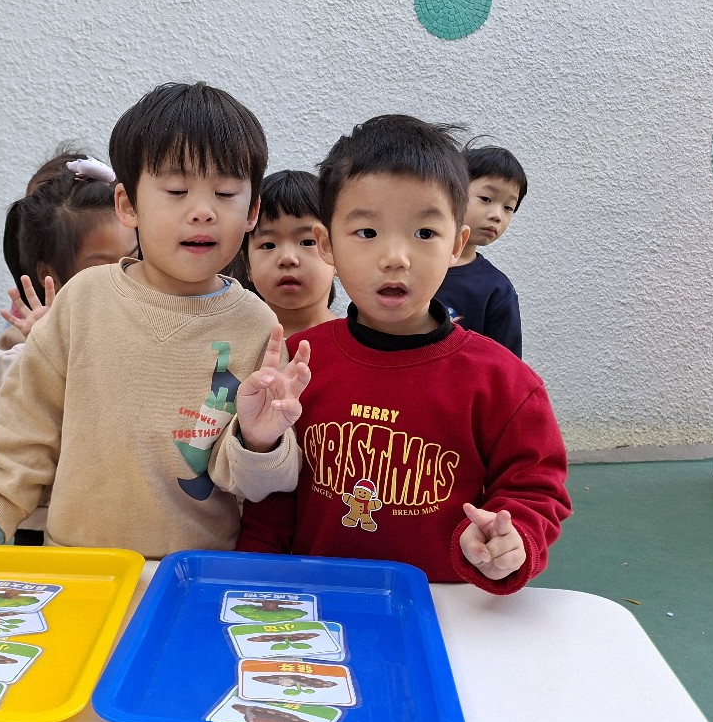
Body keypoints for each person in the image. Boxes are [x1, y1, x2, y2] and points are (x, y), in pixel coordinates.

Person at [0, 81, 311, 558]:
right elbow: (30, 421)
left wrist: (260, 440)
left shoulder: (257, 325)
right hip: (75, 561)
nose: (202, 212)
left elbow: (259, 486)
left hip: (194, 570)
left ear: (252, 211)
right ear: (128, 205)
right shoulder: (83, 299)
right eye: (176, 190)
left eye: (226, 193)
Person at [237, 115, 570, 594]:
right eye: (367, 232)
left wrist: (510, 539)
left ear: (457, 245)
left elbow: (535, 490)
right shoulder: (300, 365)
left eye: (424, 233)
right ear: (328, 245)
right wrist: (253, 576)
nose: (396, 257)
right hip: (316, 604)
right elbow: (270, 506)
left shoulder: (505, 382)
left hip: (445, 607)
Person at [0, 150, 138, 545]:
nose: (123, 278)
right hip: (40, 520)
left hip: (121, 519)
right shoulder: (26, 338)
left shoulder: (146, 322)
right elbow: (1, 412)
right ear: (50, 276)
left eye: (134, 260)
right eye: (103, 266)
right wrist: (43, 349)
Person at [436, 141, 527, 357]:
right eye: (486, 199)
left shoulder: (497, 289)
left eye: (508, 207)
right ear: (452, 193)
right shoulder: (410, 263)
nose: (497, 215)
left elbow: (506, 364)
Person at [228, 170, 338, 335]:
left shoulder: (358, 343)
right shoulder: (232, 341)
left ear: (338, 256)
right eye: (268, 245)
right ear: (248, 265)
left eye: (307, 242)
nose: (287, 258)